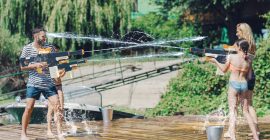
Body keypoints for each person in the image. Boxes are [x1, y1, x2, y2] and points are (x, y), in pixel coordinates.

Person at [207, 39, 259, 140]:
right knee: (246, 111)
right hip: (244, 85)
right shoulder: (249, 60)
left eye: (235, 45)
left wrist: (214, 60)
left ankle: (233, 136)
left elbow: (223, 69)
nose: (234, 46)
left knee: (232, 110)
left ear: (239, 47)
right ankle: (256, 136)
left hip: (233, 85)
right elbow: (249, 77)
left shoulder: (232, 57)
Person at [20, 27, 63, 140]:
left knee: (57, 106)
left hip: (48, 83)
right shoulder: (27, 48)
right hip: (34, 83)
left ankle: (60, 134)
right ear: (35, 36)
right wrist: (35, 65)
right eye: (43, 36)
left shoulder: (50, 48)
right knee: (29, 108)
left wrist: (57, 76)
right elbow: (22, 66)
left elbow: (54, 65)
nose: (45, 38)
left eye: (45, 36)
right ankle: (23, 135)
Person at [235, 23, 259, 134]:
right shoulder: (252, 44)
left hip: (243, 77)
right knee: (249, 105)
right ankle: (256, 130)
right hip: (251, 75)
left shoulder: (241, 45)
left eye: (238, 31)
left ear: (243, 31)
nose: (236, 33)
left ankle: (232, 131)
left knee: (237, 105)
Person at [47, 45, 66, 138]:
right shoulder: (48, 62)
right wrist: (60, 73)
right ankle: (49, 130)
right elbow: (55, 76)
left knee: (61, 108)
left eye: (57, 52)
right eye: (54, 52)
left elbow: (61, 75)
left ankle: (60, 130)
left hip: (59, 86)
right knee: (51, 109)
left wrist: (64, 70)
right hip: (50, 88)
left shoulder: (59, 62)